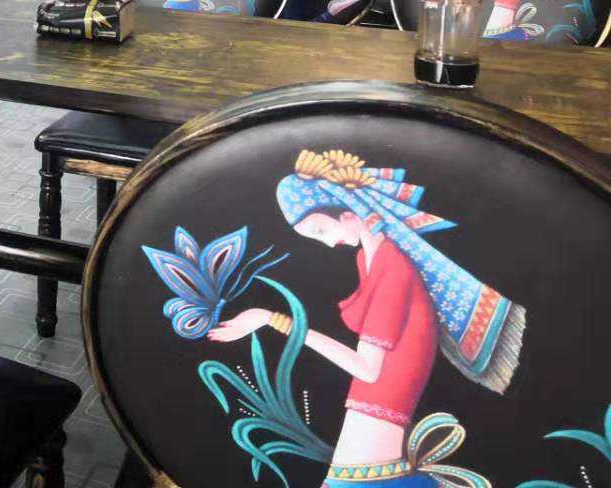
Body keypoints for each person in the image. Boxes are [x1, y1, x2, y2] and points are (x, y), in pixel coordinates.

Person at [209, 148, 523, 487]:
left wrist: (274, 320)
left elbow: (368, 369)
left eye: (321, 230)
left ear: (348, 213)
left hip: (380, 416)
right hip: (368, 415)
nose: (328, 243)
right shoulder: (369, 260)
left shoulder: (392, 267)